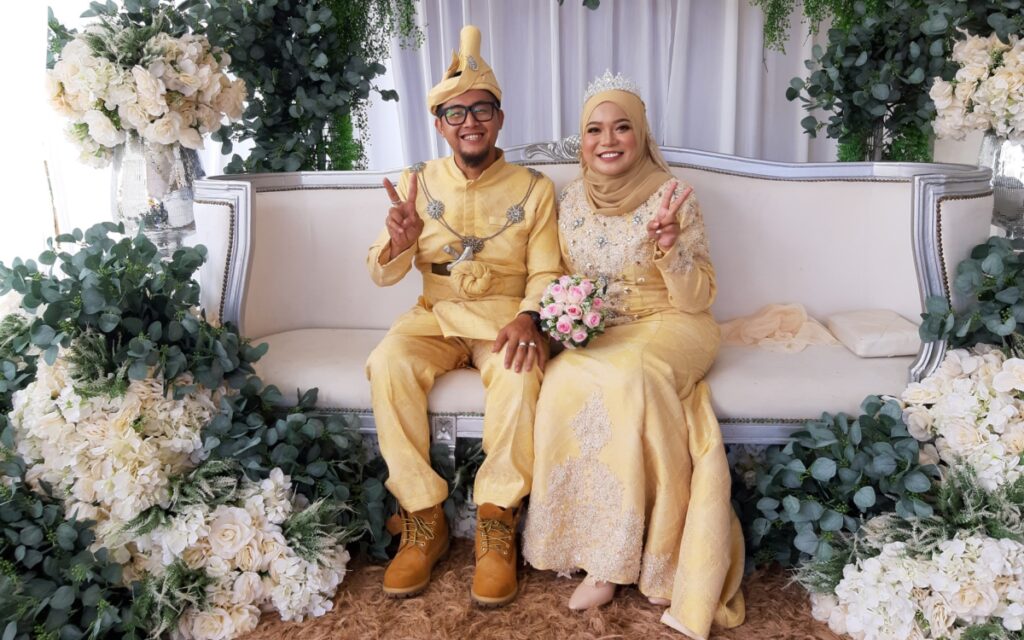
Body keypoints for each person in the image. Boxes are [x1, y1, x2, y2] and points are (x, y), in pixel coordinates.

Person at [521, 71, 745, 639]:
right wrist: (561, 319)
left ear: (643, 135)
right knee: (563, 380)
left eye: (623, 126)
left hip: (674, 323)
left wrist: (671, 249)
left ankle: (617, 559)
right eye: (595, 129)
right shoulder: (571, 202)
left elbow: (698, 298)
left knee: (632, 379)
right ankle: (575, 539)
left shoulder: (674, 196)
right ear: (582, 139)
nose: (609, 139)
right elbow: (560, 280)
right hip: (603, 330)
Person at [364, 25, 560, 607]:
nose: (469, 122)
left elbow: (548, 271)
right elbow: (380, 273)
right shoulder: (417, 183)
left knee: (521, 372)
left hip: (504, 316)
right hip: (435, 312)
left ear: (500, 118)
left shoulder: (535, 186)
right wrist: (399, 241)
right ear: (440, 123)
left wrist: (530, 317)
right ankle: (424, 517)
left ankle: (497, 523)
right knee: (388, 360)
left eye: (481, 110)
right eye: (456, 113)